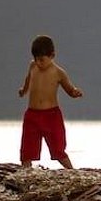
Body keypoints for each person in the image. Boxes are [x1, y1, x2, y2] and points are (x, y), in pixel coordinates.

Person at [18, 35, 83, 169]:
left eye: (41, 59)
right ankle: (25, 172)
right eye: (36, 59)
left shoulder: (59, 72)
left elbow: (69, 89)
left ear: (52, 55)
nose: (38, 63)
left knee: (58, 148)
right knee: (27, 149)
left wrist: (75, 92)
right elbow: (28, 79)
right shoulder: (32, 66)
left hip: (51, 115)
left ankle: (72, 171)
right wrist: (24, 90)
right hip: (32, 114)